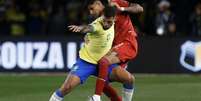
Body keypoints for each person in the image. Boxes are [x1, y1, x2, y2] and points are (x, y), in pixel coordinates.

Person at [49, 5, 118, 101]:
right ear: (102, 16)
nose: (106, 24)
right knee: (67, 87)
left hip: (104, 62)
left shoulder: (114, 16)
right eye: (104, 20)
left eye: (109, 22)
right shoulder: (97, 25)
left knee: (128, 78)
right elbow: (89, 28)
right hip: (87, 62)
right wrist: (80, 28)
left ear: (115, 18)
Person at [86, 0, 143, 101]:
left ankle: (96, 97)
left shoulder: (115, 2)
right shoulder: (98, 20)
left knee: (103, 61)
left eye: (91, 8)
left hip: (127, 43)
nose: (91, 12)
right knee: (121, 80)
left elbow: (139, 8)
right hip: (115, 49)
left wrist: (122, 9)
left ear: (98, 3)